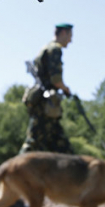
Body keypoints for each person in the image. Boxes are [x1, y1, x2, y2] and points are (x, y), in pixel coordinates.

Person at [19, 22, 75, 155]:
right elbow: (56, 80)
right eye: (70, 36)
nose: (71, 40)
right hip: (46, 105)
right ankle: (13, 172)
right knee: (32, 145)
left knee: (60, 146)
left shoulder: (45, 48)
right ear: (63, 33)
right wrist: (66, 89)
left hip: (46, 104)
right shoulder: (55, 49)